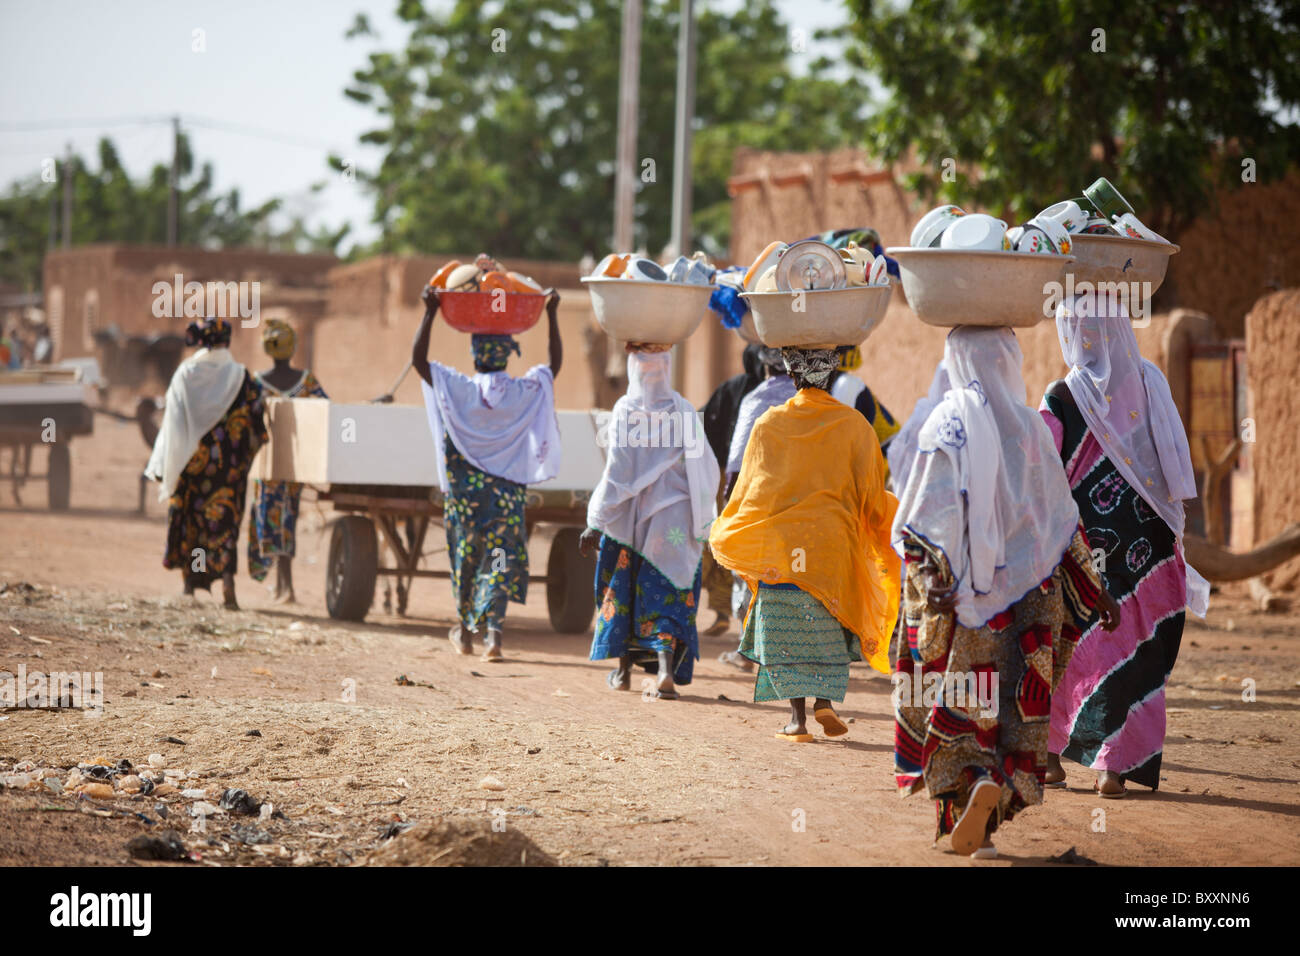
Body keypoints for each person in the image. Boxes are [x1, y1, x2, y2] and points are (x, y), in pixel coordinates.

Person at [891, 326, 1120, 858]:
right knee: (1014, 717)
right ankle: (982, 828)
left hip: (967, 601)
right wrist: (1096, 589)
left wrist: (934, 581)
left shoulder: (947, 425)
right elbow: (1060, 519)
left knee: (963, 709)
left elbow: (929, 513)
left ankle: (969, 800)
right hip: (1030, 602)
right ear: (1010, 360)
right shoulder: (1031, 429)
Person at [1042, 291, 1208, 798]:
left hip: (1087, 547)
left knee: (1076, 646)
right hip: (1151, 545)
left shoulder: (1063, 397)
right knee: (1140, 650)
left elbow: (1044, 472)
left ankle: (1049, 759)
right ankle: (1114, 769)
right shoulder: (1150, 380)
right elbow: (1176, 464)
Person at [710, 346, 901, 741]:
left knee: (786, 631)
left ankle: (796, 721)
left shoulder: (769, 423)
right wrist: (893, 520)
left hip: (784, 550)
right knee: (827, 625)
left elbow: (753, 493)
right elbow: (870, 494)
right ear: (830, 377)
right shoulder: (854, 425)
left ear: (792, 377)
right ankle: (824, 703)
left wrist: (735, 528)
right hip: (834, 547)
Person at [413, 287, 562, 662]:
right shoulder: (521, 392)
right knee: (498, 558)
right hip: (506, 499)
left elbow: (419, 361)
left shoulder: (459, 390)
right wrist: (552, 313)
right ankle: (493, 635)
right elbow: (553, 368)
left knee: (466, 557)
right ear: (506, 356)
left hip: (465, 500)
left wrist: (430, 312)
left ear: (475, 354)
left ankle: (465, 631)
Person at [581, 345, 719, 700]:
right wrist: (705, 523)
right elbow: (705, 469)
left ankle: (624, 672)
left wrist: (596, 521)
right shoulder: (684, 411)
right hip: (674, 518)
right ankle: (665, 672)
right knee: (668, 589)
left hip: (630, 519)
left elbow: (619, 474)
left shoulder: (626, 410)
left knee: (622, 585)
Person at [145, 318, 267, 609]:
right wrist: (241, 459)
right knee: (223, 524)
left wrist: (171, 461)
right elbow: (257, 426)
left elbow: (173, 423)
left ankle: (190, 585)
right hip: (229, 473)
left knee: (193, 523)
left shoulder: (186, 374)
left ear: (201, 341)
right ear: (227, 340)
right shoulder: (242, 377)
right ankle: (227, 581)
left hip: (191, 466)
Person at [716, 345, 795, 672]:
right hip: (799, 504)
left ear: (765, 366)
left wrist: (728, 503)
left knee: (752, 573)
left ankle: (748, 653)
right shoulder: (809, 402)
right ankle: (785, 651)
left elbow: (736, 463)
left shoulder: (757, 401)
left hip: (759, 501)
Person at [246, 319, 328, 603]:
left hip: (267, 468)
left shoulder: (256, 384)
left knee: (268, 521)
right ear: (293, 348)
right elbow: (326, 413)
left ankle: (284, 586)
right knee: (288, 520)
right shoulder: (307, 383)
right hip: (296, 467)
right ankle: (285, 585)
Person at [697, 343, 764, 635]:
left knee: (721, 541)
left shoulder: (733, 388)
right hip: (759, 480)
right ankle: (736, 615)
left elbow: (703, 420)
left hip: (727, 478)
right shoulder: (773, 392)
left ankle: (725, 612)